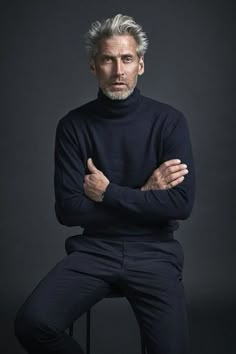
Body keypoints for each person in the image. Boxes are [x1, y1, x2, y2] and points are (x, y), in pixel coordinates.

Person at [15, 14, 195, 354]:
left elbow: (181, 204)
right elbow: (68, 211)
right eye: (107, 60)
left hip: (155, 253)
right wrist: (145, 196)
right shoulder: (73, 126)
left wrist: (109, 193)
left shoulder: (169, 122)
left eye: (126, 59)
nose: (118, 70)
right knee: (32, 323)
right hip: (95, 251)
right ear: (93, 66)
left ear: (140, 65)